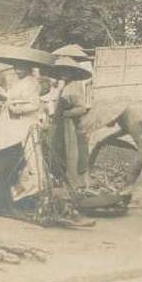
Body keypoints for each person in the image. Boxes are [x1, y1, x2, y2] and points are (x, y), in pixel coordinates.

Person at [0, 46, 55, 213]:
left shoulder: (32, 82)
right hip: (13, 124)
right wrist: (8, 105)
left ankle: (35, 192)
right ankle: (10, 194)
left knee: (32, 160)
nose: (18, 70)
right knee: (6, 155)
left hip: (27, 123)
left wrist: (14, 106)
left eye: (21, 67)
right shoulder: (17, 82)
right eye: (16, 67)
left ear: (28, 68)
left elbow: (34, 104)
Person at [45, 57, 92, 190]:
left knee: (73, 154)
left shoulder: (74, 86)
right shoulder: (63, 86)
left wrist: (65, 114)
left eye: (68, 71)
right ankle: (64, 183)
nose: (64, 74)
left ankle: (75, 184)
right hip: (61, 124)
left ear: (73, 73)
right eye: (62, 72)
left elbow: (81, 108)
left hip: (71, 125)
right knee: (61, 152)